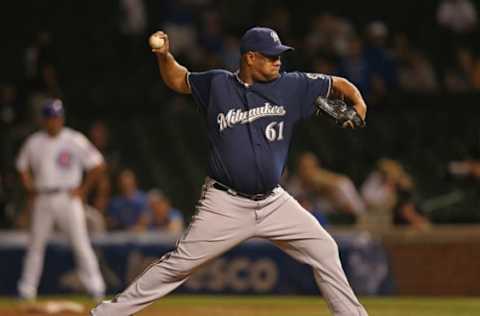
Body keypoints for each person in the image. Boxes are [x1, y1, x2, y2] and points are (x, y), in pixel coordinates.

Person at [92, 27, 368, 316]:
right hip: (225, 203)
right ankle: (107, 314)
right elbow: (178, 78)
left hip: (274, 202)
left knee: (324, 248)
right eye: (271, 56)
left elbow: (338, 84)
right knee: (179, 265)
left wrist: (359, 104)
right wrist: (164, 56)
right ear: (250, 57)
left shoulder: (292, 85)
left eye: (280, 56)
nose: (278, 61)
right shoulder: (218, 84)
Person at [16, 99, 106, 300]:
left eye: (56, 117)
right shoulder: (34, 141)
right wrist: (29, 186)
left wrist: (83, 189)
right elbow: (21, 166)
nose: (53, 121)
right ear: (44, 120)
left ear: (62, 118)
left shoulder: (73, 139)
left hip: (68, 197)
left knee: (80, 243)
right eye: (49, 117)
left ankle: (96, 287)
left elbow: (98, 164)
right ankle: (27, 290)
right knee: (35, 245)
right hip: (43, 197)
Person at [361, 159, 431, 230]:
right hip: (388, 222)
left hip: (406, 222)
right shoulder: (378, 181)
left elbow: (407, 210)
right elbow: (368, 199)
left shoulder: (402, 188)